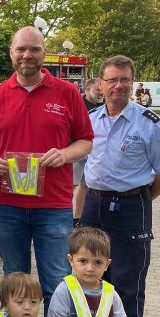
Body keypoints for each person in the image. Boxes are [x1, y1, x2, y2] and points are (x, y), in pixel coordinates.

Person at [0, 26, 94, 312]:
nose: (27, 55)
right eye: (21, 49)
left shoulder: (67, 93)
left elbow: (85, 141)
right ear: (11, 54)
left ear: (44, 53)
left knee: (56, 281)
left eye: (34, 49)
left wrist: (64, 154)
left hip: (52, 205)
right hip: (7, 204)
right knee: (14, 280)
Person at [81, 55, 160, 317]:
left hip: (131, 208)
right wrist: (80, 215)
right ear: (101, 84)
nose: (118, 85)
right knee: (88, 278)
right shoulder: (91, 120)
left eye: (124, 80)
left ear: (132, 84)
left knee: (127, 285)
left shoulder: (149, 124)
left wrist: (141, 199)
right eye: (112, 80)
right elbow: (84, 174)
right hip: (94, 206)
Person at [72, 78, 103, 226]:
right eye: (97, 89)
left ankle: (78, 218)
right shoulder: (77, 104)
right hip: (75, 152)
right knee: (70, 185)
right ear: (88, 89)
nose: (100, 93)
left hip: (93, 153)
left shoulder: (103, 106)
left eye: (101, 89)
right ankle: (62, 214)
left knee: (86, 186)